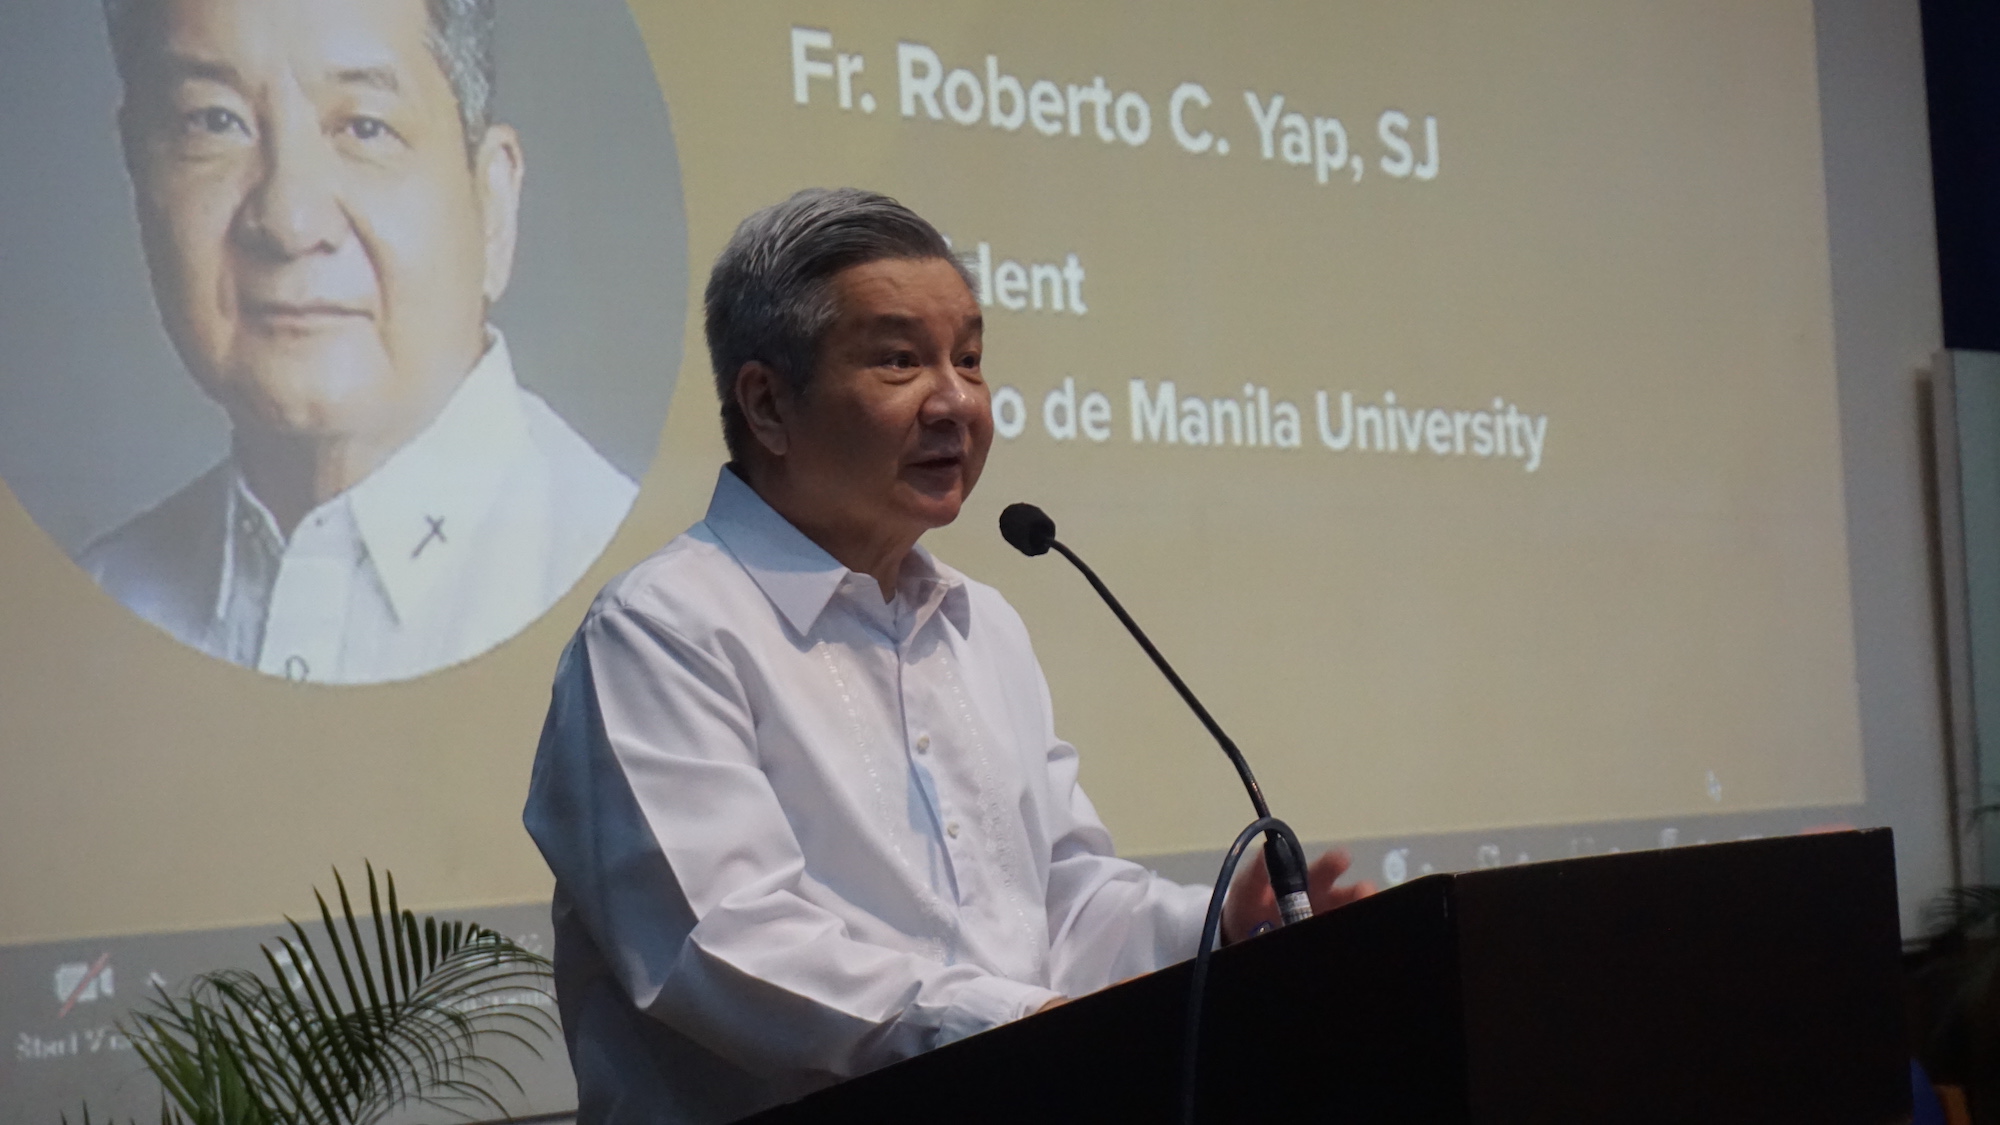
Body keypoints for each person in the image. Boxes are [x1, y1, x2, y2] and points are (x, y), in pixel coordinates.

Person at [522, 188, 1372, 1124]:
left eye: (968, 357)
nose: (957, 401)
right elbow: (727, 947)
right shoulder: (663, 631)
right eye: (899, 360)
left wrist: (1221, 934)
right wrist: (1015, 1022)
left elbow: (1064, 906)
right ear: (766, 404)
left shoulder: (982, 624)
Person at [82, 0, 635, 685]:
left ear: (493, 202)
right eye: (214, 121)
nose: (288, 219)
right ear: (139, 172)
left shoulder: (656, 606)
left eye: (365, 128)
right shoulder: (84, 616)